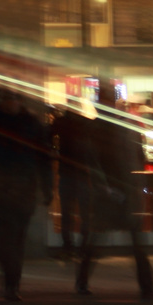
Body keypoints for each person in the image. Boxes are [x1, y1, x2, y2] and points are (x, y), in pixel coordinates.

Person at [0, 88, 53, 301]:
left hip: (21, 187)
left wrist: (47, 187)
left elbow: (43, 158)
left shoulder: (27, 124)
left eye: (13, 99)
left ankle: (12, 280)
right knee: (9, 236)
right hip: (3, 188)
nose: (10, 103)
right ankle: (11, 282)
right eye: (7, 99)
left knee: (16, 237)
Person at [76, 83, 153, 297]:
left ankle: (146, 285)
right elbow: (136, 159)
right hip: (117, 191)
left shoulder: (99, 129)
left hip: (117, 191)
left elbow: (95, 162)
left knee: (103, 241)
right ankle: (146, 286)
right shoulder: (122, 128)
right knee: (129, 242)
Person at [52, 102, 93, 258]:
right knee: (84, 213)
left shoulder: (61, 122)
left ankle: (68, 246)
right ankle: (82, 246)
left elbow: (50, 137)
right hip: (81, 173)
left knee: (67, 213)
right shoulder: (85, 124)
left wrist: (54, 151)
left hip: (67, 172)